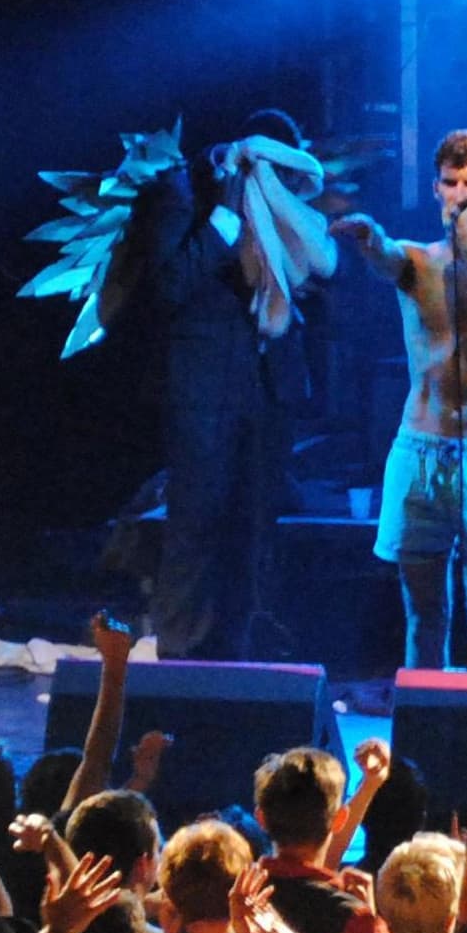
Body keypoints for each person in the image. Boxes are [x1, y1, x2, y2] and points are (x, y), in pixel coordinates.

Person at [333, 127, 467, 673]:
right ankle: (425, 739)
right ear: (436, 188)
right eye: (451, 184)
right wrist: (368, 236)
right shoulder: (417, 261)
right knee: (425, 615)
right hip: (421, 451)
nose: (460, 195)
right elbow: (387, 257)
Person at [133, 108, 336, 659]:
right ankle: (181, 663)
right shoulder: (183, 193)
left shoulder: (284, 208)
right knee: (196, 525)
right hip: (204, 393)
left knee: (252, 534)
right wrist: (224, 217)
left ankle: (238, 663)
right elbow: (170, 285)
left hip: (266, 392)